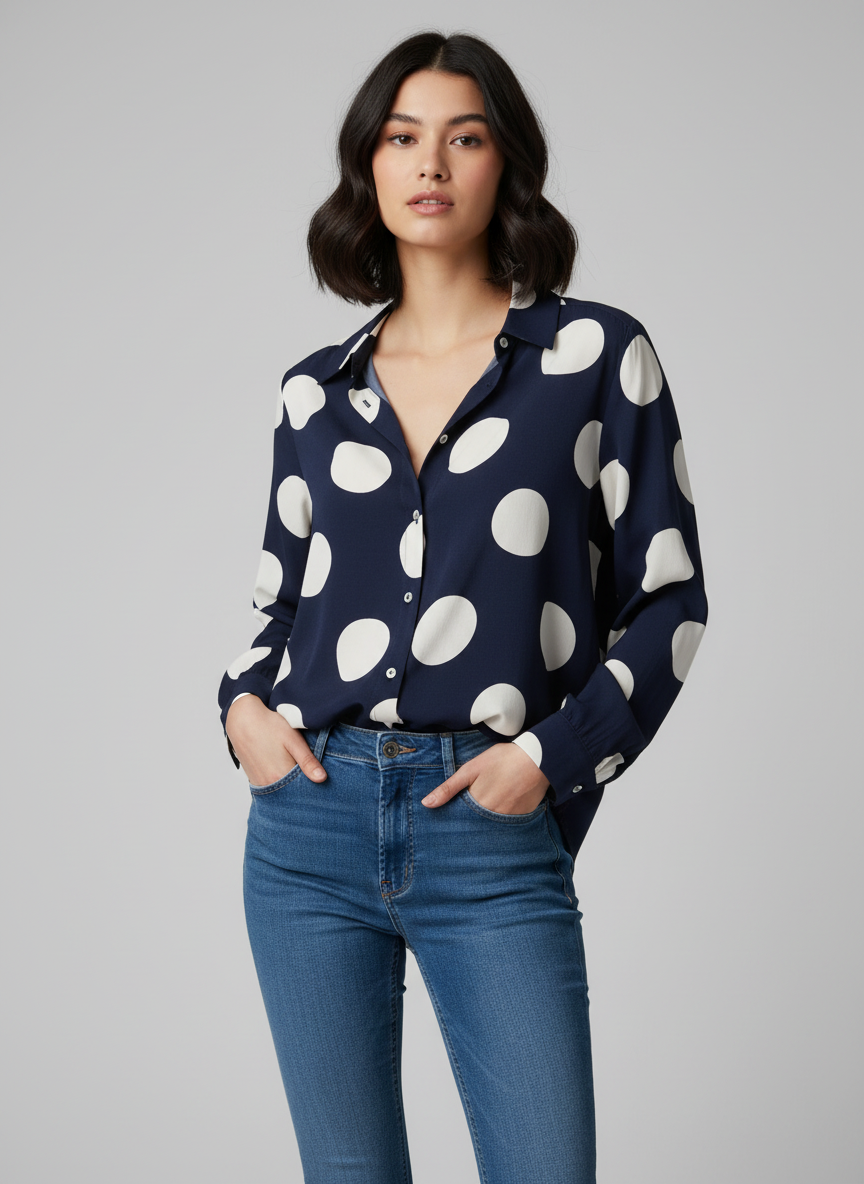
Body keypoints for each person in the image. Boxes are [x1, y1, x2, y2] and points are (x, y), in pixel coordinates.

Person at [218, 28, 707, 1184]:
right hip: (308, 827)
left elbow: (670, 598)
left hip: (488, 825)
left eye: (464, 137)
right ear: (369, 166)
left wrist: (549, 756)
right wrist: (240, 710)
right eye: (402, 137)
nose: (430, 162)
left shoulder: (595, 355)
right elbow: (277, 603)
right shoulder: (315, 391)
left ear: (505, 164)